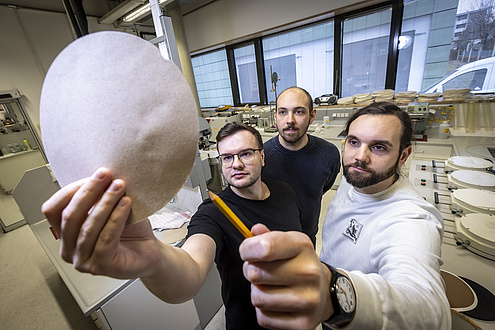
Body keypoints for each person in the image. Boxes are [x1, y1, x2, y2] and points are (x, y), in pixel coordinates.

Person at [42, 122, 302, 330]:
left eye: (245, 154)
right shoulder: (213, 213)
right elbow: (188, 272)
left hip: (301, 310)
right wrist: (154, 259)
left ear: (263, 156)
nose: (235, 164)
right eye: (227, 157)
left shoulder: (285, 191)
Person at [240, 102, 451, 329]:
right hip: (332, 316)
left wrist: (335, 294)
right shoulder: (357, 179)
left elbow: (429, 312)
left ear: (403, 156)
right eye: (353, 142)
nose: (360, 157)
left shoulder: (410, 219)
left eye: (379, 147)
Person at [262, 86, 340, 246]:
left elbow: (323, 188)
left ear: (312, 116)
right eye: (283, 112)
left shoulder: (329, 154)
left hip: (308, 241)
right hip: (270, 243)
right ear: (275, 116)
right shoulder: (261, 157)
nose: (290, 120)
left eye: (298, 112)